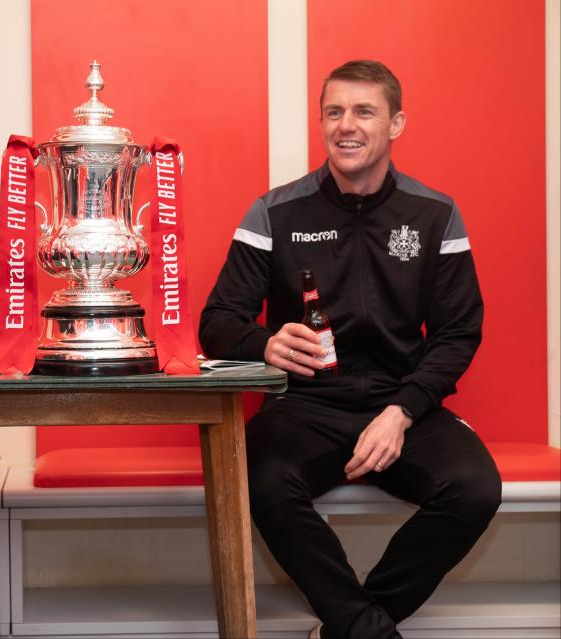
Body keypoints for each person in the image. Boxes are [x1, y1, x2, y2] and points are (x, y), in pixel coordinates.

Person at [200, 60, 500, 638]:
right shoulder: (273, 212)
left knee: (476, 488)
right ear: (321, 122)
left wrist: (402, 411)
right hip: (305, 407)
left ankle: (348, 625)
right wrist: (264, 343)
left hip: (402, 406)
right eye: (334, 112)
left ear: (396, 124)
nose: (347, 125)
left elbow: (458, 332)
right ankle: (367, 631)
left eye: (365, 111)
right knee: (257, 479)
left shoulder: (435, 214)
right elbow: (217, 322)